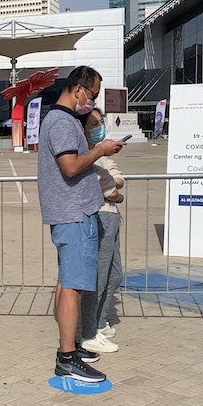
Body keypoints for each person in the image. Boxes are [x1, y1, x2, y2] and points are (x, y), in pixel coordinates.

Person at [37, 66, 123, 382]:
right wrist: (100, 149)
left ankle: (71, 346)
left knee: (66, 283)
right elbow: (70, 166)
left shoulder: (64, 120)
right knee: (72, 287)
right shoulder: (61, 121)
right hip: (72, 214)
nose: (93, 101)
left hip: (73, 213)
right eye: (94, 94)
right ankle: (67, 358)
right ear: (79, 90)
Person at [79, 107, 124, 354]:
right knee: (99, 276)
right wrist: (114, 191)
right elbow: (108, 186)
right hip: (101, 215)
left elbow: (116, 176)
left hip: (113, 216)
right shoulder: (85, 154)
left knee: (115, 274)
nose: (99, 127)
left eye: (100, 122)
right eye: (93, 124)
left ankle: (100, 319)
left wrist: (112, 183)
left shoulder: (103, 153)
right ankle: (90, 329)